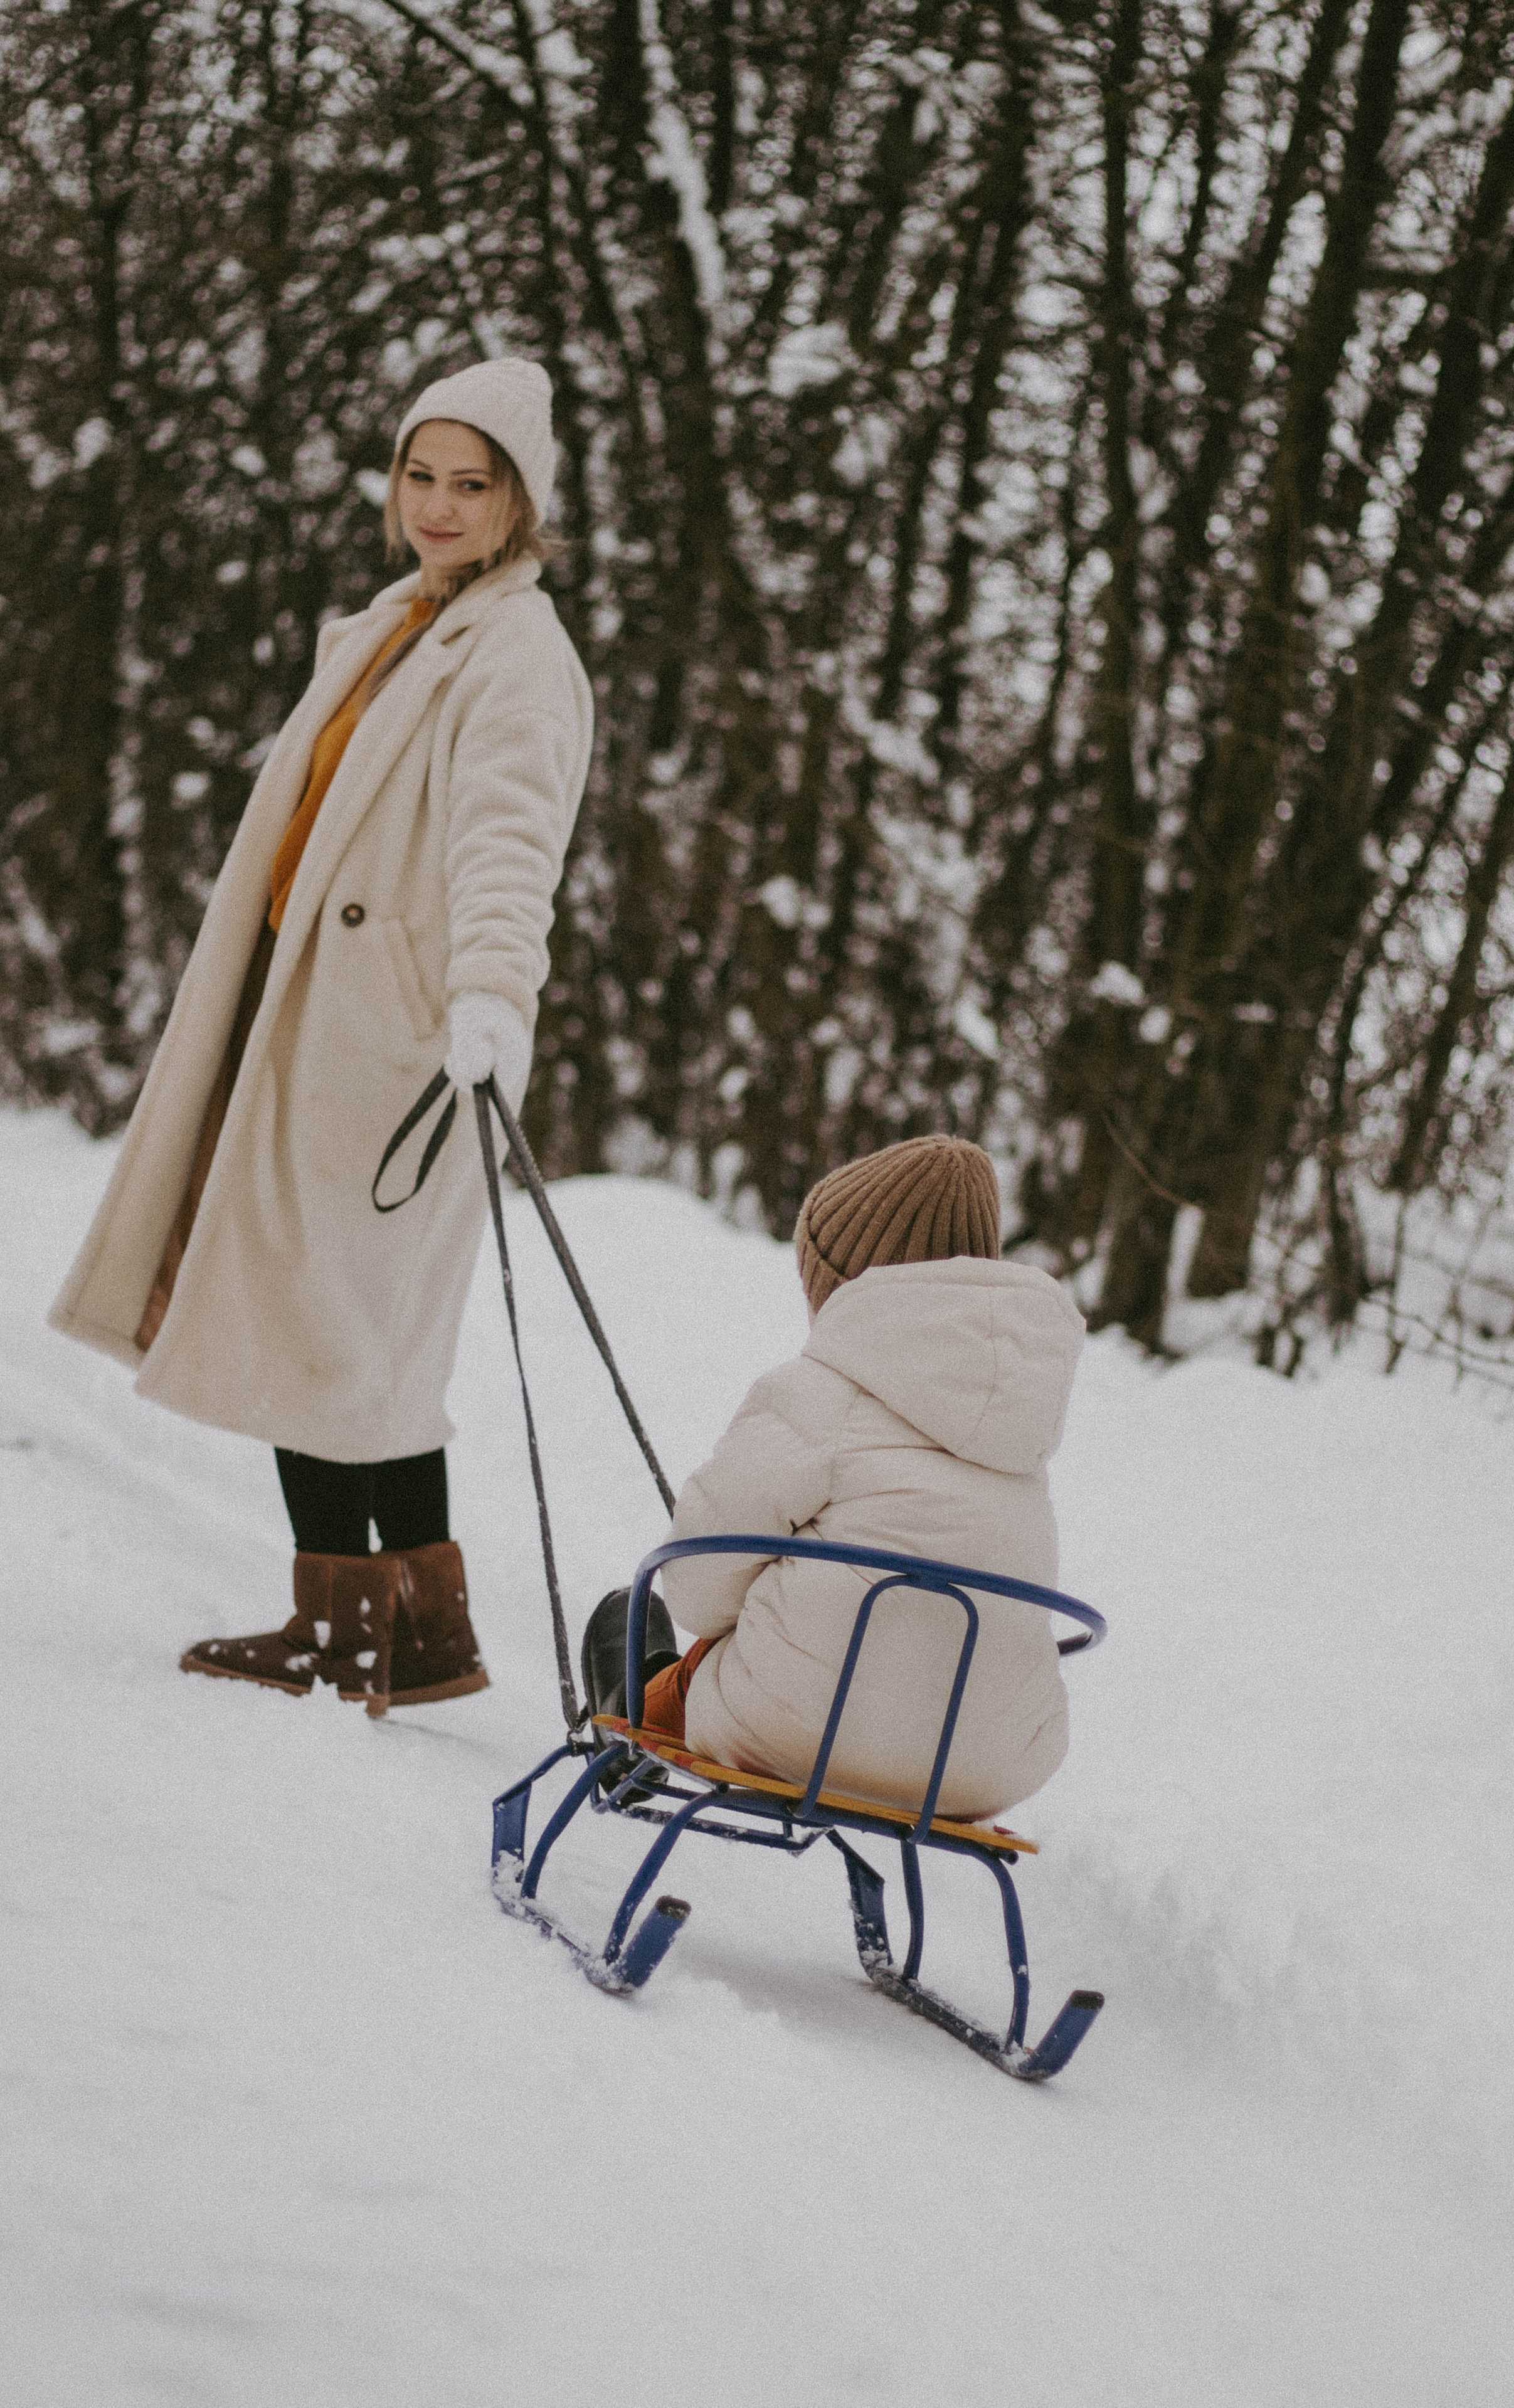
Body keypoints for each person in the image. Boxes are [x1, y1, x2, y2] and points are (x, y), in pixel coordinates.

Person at [50, 359, 593, 1716]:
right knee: (360, 1336)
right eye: (422, 475)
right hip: (320, 1010)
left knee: (330, 1322)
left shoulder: (515, 652)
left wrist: (486, 999)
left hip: (392, 1040)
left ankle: (354, 1626)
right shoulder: (407, 619)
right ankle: (412, 1630)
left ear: (521, 501)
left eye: (474, 485)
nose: (440, 505)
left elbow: (507, 845)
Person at [581, 1135, 1085, 1823]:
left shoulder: (817, 1395)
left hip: (799, 1732)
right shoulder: (1021, 1432)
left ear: (841, 1286)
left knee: (669, 1637)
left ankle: (631, 1713)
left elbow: (698, 1589)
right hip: (984, 1766)